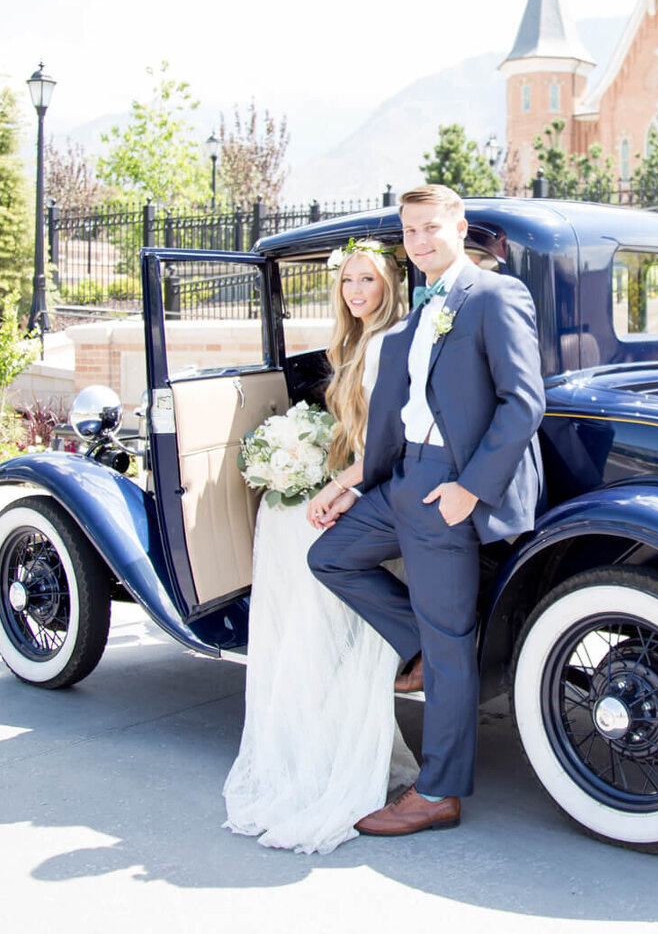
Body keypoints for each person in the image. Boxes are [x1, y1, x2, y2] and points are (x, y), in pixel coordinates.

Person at [308, 184, 545, 836]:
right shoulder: (420, 309)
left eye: (430, 229)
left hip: (449, 487)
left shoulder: (494, 296)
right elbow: (398, 412)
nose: (419, 242)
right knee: (329, 555)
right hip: (403, 477)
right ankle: (414, 648)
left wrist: (471, 487)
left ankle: (438, 791)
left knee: (450, 650)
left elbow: (523, 402)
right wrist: (354, 485)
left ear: (459, 226)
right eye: (410, 232)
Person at [223, 239, 419, 854]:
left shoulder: (391, 341)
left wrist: (339, 486)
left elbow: (386, 442)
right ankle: (307, 713)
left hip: (380, 485)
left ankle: (343, 705)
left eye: (368, 280)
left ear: (389, 284)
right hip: (359, 475)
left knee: (290, 527)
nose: (357, 291)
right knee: (280, 518)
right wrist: (306, 454)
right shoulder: (353, 342)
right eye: (348, 282)